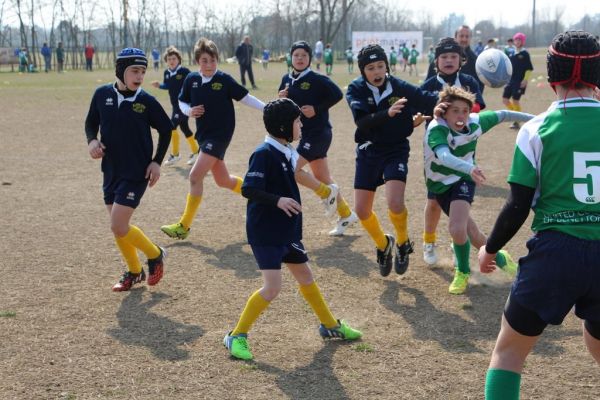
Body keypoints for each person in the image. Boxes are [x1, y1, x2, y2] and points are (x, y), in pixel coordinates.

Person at [478, 30, 600, 400]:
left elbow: (517, 205)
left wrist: (489, 247)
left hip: (555, 255)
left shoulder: (536, 129)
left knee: (509, 353)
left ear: (550, 78)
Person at [223, 98, 363, 361]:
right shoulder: (264, 154)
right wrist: (278, 200)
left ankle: (330, 326)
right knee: (272, 287)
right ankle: (236, 336)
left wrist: (325, 191)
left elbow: (302, 174)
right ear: (283, 127)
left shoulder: (287, 150)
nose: (301, 125)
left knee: (306, 277)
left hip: (287, 230)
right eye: (297, 121)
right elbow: (248, 189)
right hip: (266, 232)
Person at [425, 86, 531, 294]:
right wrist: (470, 166)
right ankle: (502, 258)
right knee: (471, 233)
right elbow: (444, 157)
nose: (461, 115)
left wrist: (538, 119)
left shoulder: (475, 122)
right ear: (443, 111)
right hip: (440, 184)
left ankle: (462, 271)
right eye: (455, 110)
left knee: (456, 228)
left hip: (463, 180)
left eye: (465, 110)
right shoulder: (437, 128)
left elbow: (504, 114)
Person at [345, 44, 438, 276]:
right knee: (361, 210)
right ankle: (383, 244)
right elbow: (363, 122)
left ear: (387, 66)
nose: (376, 72)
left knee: (395, 203)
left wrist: (455, 99)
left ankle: (403, 243)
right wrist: (388, 113)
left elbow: (427, 99)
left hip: (395, 149)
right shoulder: (355, 89)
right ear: (362, 70)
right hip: (368, 150)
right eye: (370, 68)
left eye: (380, 66)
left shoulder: (399, 86)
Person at [84, 48, 172, 291]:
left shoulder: (146, 101)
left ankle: (155, 254)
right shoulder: (102, 95)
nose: (140, 76)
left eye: (143, 71)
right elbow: (91, 122)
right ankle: (134, 272)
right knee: (117, 226)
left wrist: (156, 161)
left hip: (136, 173)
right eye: (135, 70)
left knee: (118, 225)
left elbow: (166, 130)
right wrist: (92, 140)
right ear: (121, 71)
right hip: (111, 169)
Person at [160, 38, 264, 240]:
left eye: (213, 60)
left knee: (194, 176)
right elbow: (182, 101)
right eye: (205, 61)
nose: (209, 65)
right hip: (204, 136)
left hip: (220, 136)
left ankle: (184, 226)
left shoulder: (224, 79)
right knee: (223, 181)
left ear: (217, 60)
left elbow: (245, 97)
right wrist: (189, 111)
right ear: (198, 61)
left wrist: (266, 107)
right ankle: (262, 197)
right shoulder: (192, 79)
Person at [278, 41, 357, 236]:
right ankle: (346, 214)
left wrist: (317, 109)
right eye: (296, 55)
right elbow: (284, 108)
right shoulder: (286, 80)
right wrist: (280, 97)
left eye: (304, 55)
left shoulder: (317, 78)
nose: (299, 58)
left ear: (309, 58)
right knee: (323, 177)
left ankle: (325, 193)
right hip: (306, 135)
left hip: (319, 133)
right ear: (291, 58)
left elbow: (338, 94)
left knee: (291, 168)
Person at [419, 37, 486, 266]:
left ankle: (457, 242)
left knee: (459, 201)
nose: (449, 60)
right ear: (436, 61)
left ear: (461, 60)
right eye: (444, 57)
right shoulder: (427, 86)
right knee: (435, 201)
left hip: (464, 151)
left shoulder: (469, 82)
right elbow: (418, 114)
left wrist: (461, 108)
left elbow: (478, 108)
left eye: (453, 56)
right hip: (437, 153)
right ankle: (428, 242)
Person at [151, 45, 199, 167]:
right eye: (169, 59)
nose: (171, 61)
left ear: (178, 60)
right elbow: (168, 86)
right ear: (166, 61)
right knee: (185, 129)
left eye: (174, 58)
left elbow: (194, 83)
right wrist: (159, 86)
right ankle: (196, 152)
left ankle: (175, 154)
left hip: (183, 105)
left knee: (171, 127)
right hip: (175, 106)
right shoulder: (167, 73)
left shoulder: (184, 72)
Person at [426, 25, 483, 93]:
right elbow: (426, 89)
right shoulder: (438, 59)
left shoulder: (476, 61)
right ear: (455, 37)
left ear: (470, 38)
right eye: (461, 36)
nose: (464, 39)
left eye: (467, 36)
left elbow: (479, 87)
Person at [502, 32, 534, 130]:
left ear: (522, 41)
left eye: (519, 40)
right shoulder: (511, 53)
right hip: (510, 81)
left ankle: (516, 121)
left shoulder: (525, 54)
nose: (517, 41)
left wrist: (525, 80)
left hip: (519, 81)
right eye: (516, 39)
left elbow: (529, 68)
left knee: (515, 100)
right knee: (505, 100)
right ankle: (516, 116)